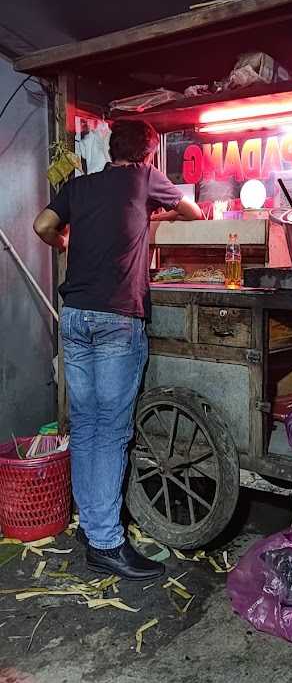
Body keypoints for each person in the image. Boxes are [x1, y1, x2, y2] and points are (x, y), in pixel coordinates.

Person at [33, 119, 203, 580]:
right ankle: (107, 542)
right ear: (149, 153)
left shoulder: (81, 185)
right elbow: (195, 213)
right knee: (110, 431)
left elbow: (42, 224)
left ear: (111, 148)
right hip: (115, 320)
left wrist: (64, 239)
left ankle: (92, 528)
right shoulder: (146, 178)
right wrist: (155, 212)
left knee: (86, 426)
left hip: (75, 316)